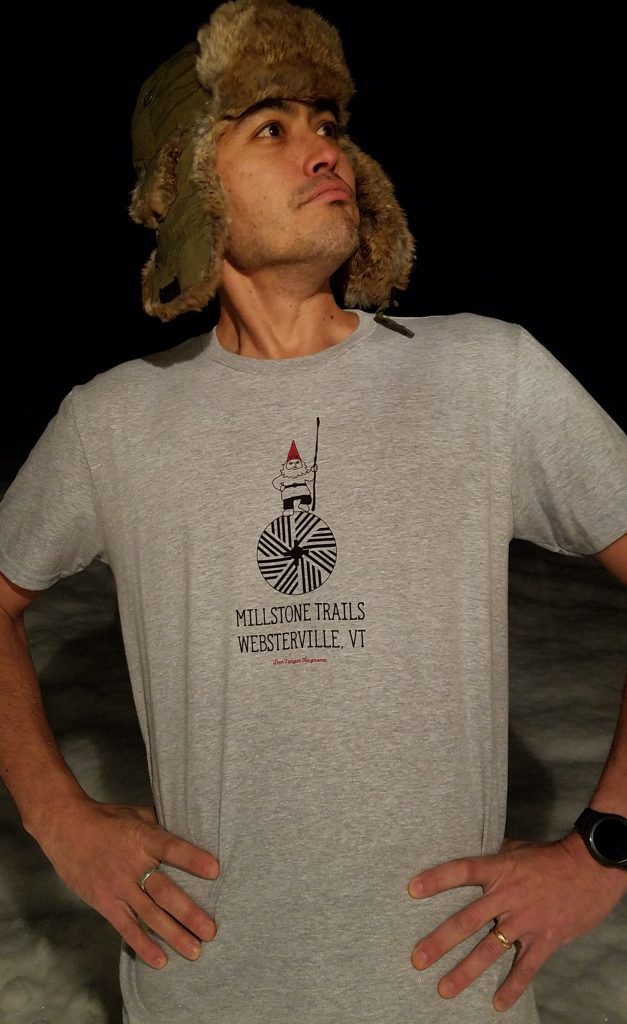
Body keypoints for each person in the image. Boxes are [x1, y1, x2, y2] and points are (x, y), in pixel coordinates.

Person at [0, 1, 625, 1021]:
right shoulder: (114, 421)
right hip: (201, 995)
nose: (325, 150)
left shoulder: (488, 375)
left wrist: (603, 848)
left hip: (444, 996)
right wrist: (57, 816)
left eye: (328, 124)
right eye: (271, 127)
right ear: (189, 185)